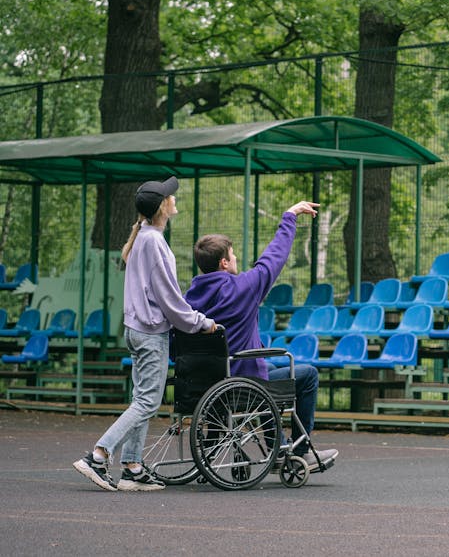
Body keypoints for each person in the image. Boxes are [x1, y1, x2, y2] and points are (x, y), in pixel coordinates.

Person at [74, 176, 217, 492]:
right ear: (163, 207)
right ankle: (98, 455)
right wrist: (199, 322)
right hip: (151, 333)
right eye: (170, 196)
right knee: (147, 403)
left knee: (142, 399)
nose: (174, 198)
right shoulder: (153, 242)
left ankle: (133, 467)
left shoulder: (144, 237)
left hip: (136, 329)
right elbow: (168, 296)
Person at [184, 200, 338, 471]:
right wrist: (289, 216)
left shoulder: (187, 300)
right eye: (232, 255)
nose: (236, 260)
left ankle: (276, 445)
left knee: (270, 367)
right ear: (223, 263)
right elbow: (273, 258)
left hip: (203, 383)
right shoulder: (241, 288)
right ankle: (301, 450)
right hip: (241, 381)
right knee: (306, 374)